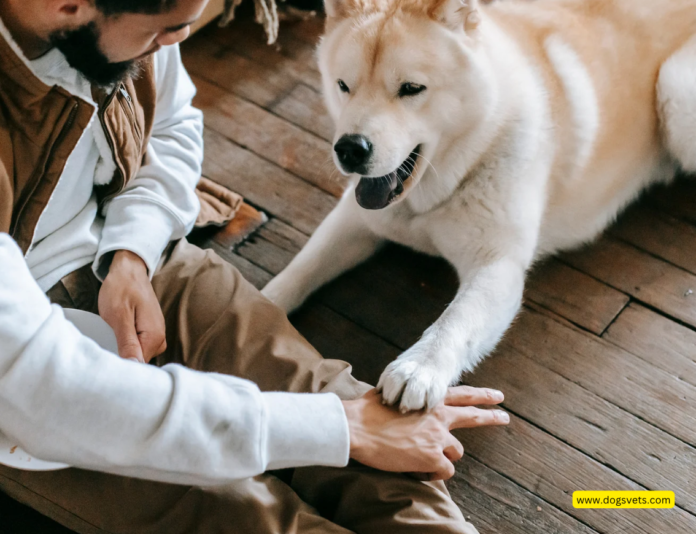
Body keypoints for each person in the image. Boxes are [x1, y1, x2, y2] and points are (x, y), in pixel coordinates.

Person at [0, 0, 509, 532]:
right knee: (252, 516)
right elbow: (48, 394)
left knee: (371, 433)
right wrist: (338, 427)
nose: (174, 44)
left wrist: (133, 251)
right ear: (68, 5)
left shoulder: (130, 25)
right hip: (23, 400)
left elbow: (172, 126)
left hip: (139, 265)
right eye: (166, 31)